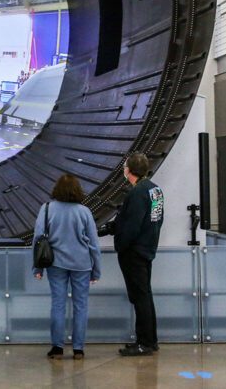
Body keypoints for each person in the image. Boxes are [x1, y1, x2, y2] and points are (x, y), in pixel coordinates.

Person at [32, 173, 102, 360]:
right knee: (81, 306)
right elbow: (94, 244)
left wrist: (37, 268)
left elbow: (38, 239)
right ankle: (78, 349)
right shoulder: (84, 211)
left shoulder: (46, 209)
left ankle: (57, 348)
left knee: (58, 304)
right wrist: (96, 270)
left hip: (55, 264)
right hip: (82, 264)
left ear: (56, 190)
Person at [101, 152, 164, 357]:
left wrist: (121, 243)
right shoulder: (155, 190)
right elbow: (154, 220)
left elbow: (131, 226)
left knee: (140, 297)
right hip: (147, 249)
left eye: (125, 166)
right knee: (145, 295)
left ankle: (144, 342)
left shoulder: (137, 193)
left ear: (129, 170)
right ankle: (149, 340)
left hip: (134, 253)